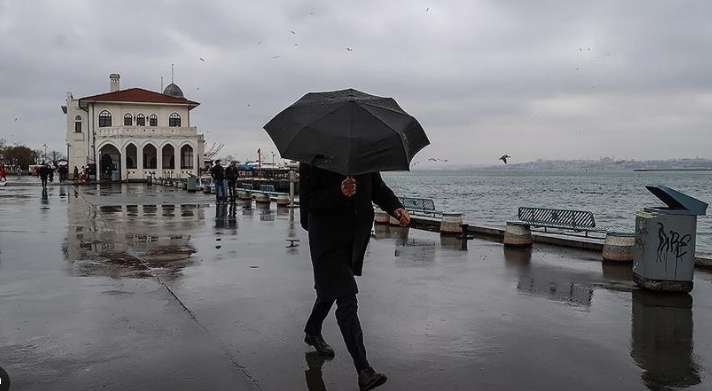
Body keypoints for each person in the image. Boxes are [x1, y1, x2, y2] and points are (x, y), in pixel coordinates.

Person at [299, 163, 410, 391]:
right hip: (326, 239)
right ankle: (364, 370)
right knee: (346, 298)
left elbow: (376, 186)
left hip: (352, 240)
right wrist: (338, 192)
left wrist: (395, 208)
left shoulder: (362, 151)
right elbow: (308, 202)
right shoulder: (313, 155)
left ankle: (312, 331)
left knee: (331, 288)